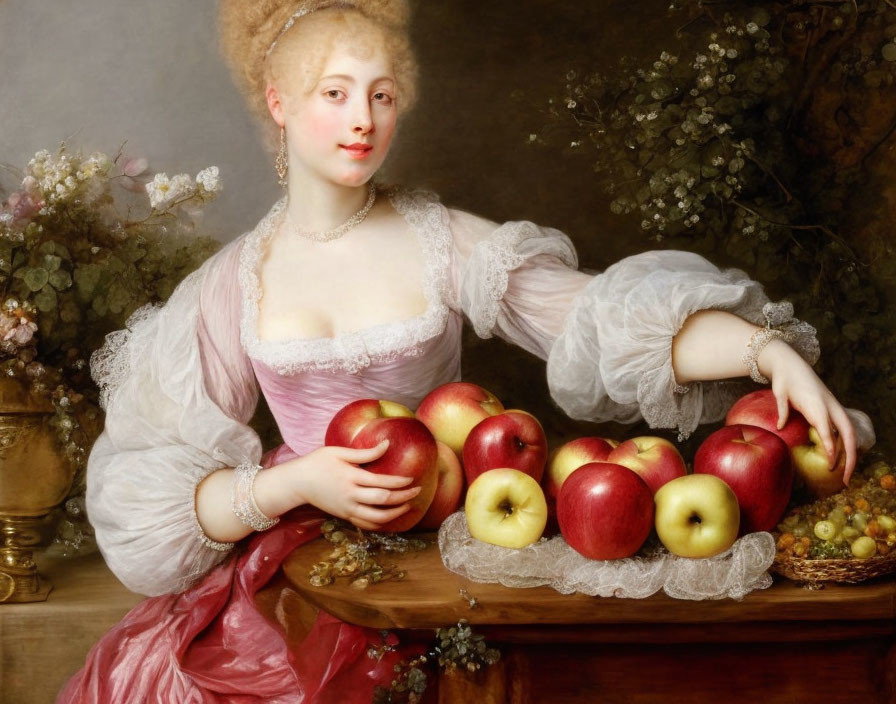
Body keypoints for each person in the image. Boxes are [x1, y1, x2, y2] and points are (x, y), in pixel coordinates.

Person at [58, 1, 875, 702]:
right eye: (334, 95)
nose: (362, 120)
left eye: (381, 96)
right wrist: (295, 481)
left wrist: (770, 355)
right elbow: (151, 498)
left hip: (459, 548)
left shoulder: (439, 240)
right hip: (307, 570)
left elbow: (600, 316)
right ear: (278, 102)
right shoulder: (235, 280)